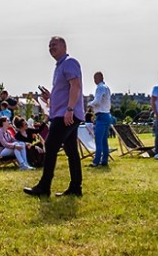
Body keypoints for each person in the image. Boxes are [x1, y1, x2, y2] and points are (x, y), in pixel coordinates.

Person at [23, 36, 85, 197]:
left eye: (54, 45)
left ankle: (44, 187)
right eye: (49, 46)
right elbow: (66, 90)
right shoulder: (60, 66)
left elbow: (75, 86)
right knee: (71, 150)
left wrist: (70, 109)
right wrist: (50, 97)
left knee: (50, 145)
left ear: (64, 46)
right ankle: (75, 188)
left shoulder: (69, 63)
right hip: (63, 113)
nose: (51, 48)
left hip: (65, 114)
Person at [87, 71, 113, 167]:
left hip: (101, 115)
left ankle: (96, 161)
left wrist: (89, 104)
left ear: (98, 78)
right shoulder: (106, 88)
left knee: (98, 140)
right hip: (107, 114)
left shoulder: (100, 87)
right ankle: (104, 160)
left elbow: (97, 101)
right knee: (104, 140)